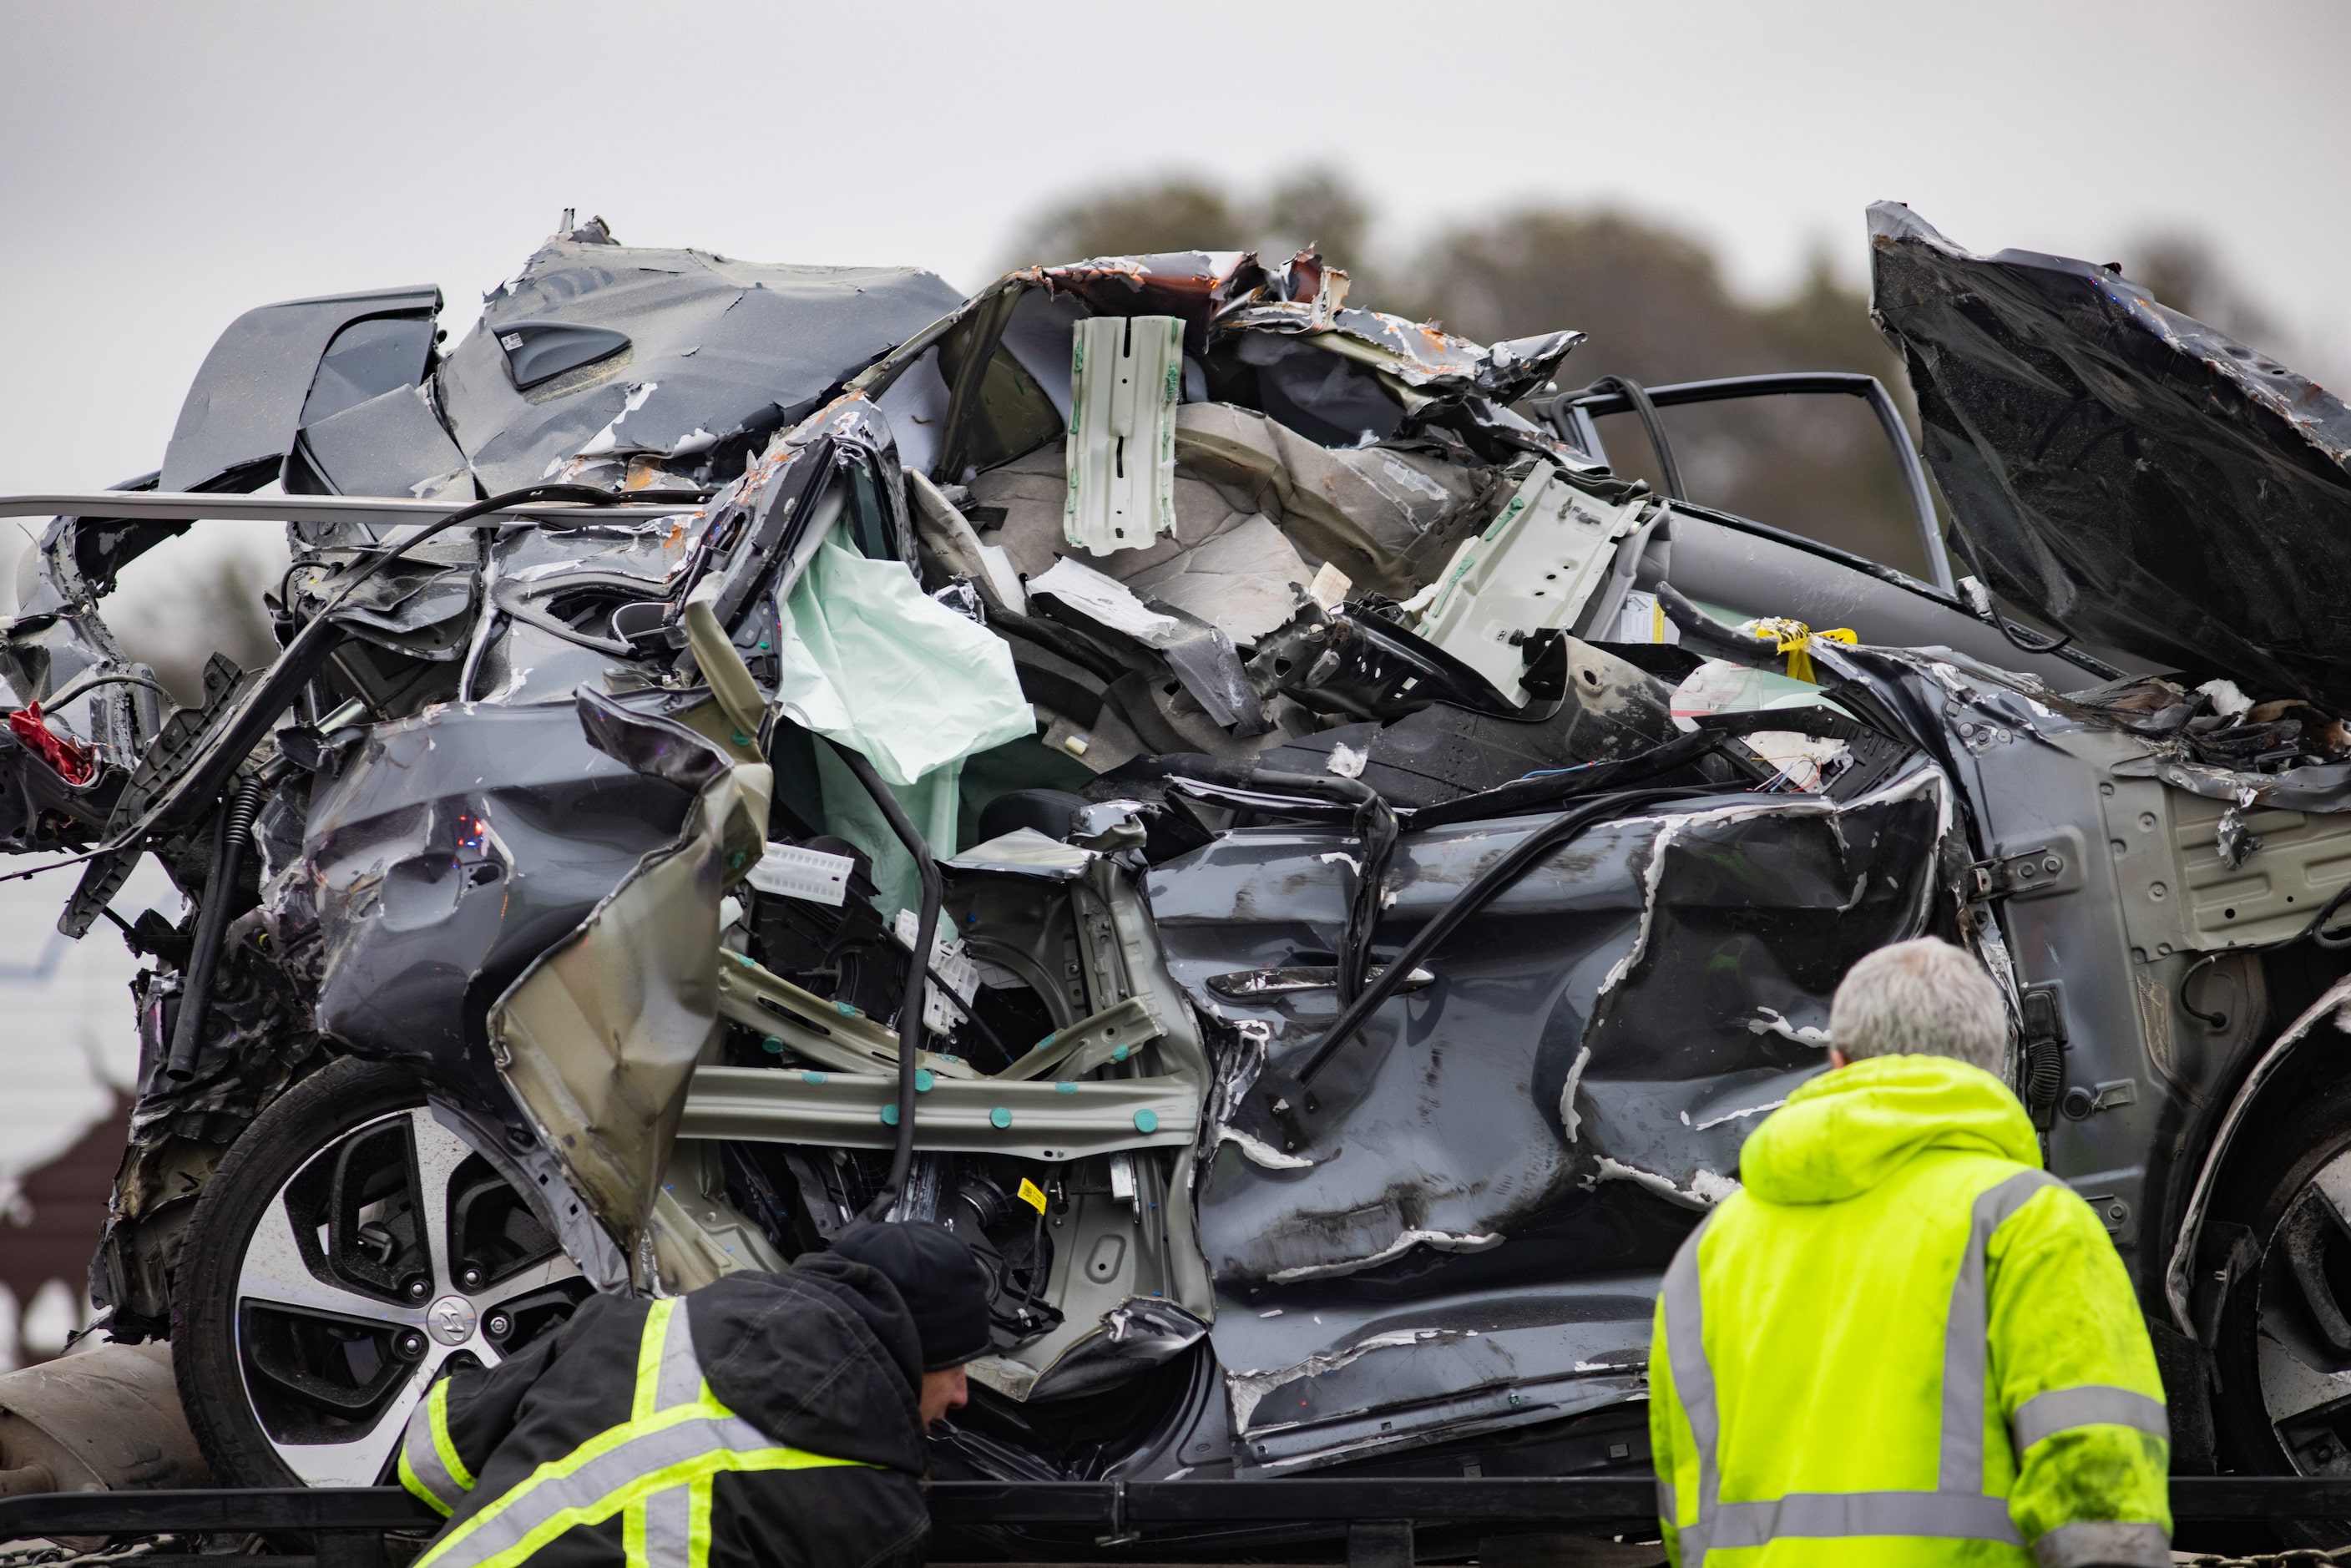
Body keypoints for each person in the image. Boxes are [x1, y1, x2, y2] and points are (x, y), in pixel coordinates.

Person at [1648, 937, 2171, 1567]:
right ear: (1991, 1064)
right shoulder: (2026, 1221)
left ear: (1838, 1062)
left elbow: (1686, 1511)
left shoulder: (1709, 1254)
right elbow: (2098, 1471)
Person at [396, 1220, 991, 1568]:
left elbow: (430, 1457)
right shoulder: (876, 1517)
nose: (963, 1394)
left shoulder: (629, 1325)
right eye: (955, 1366)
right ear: (909, 1355)